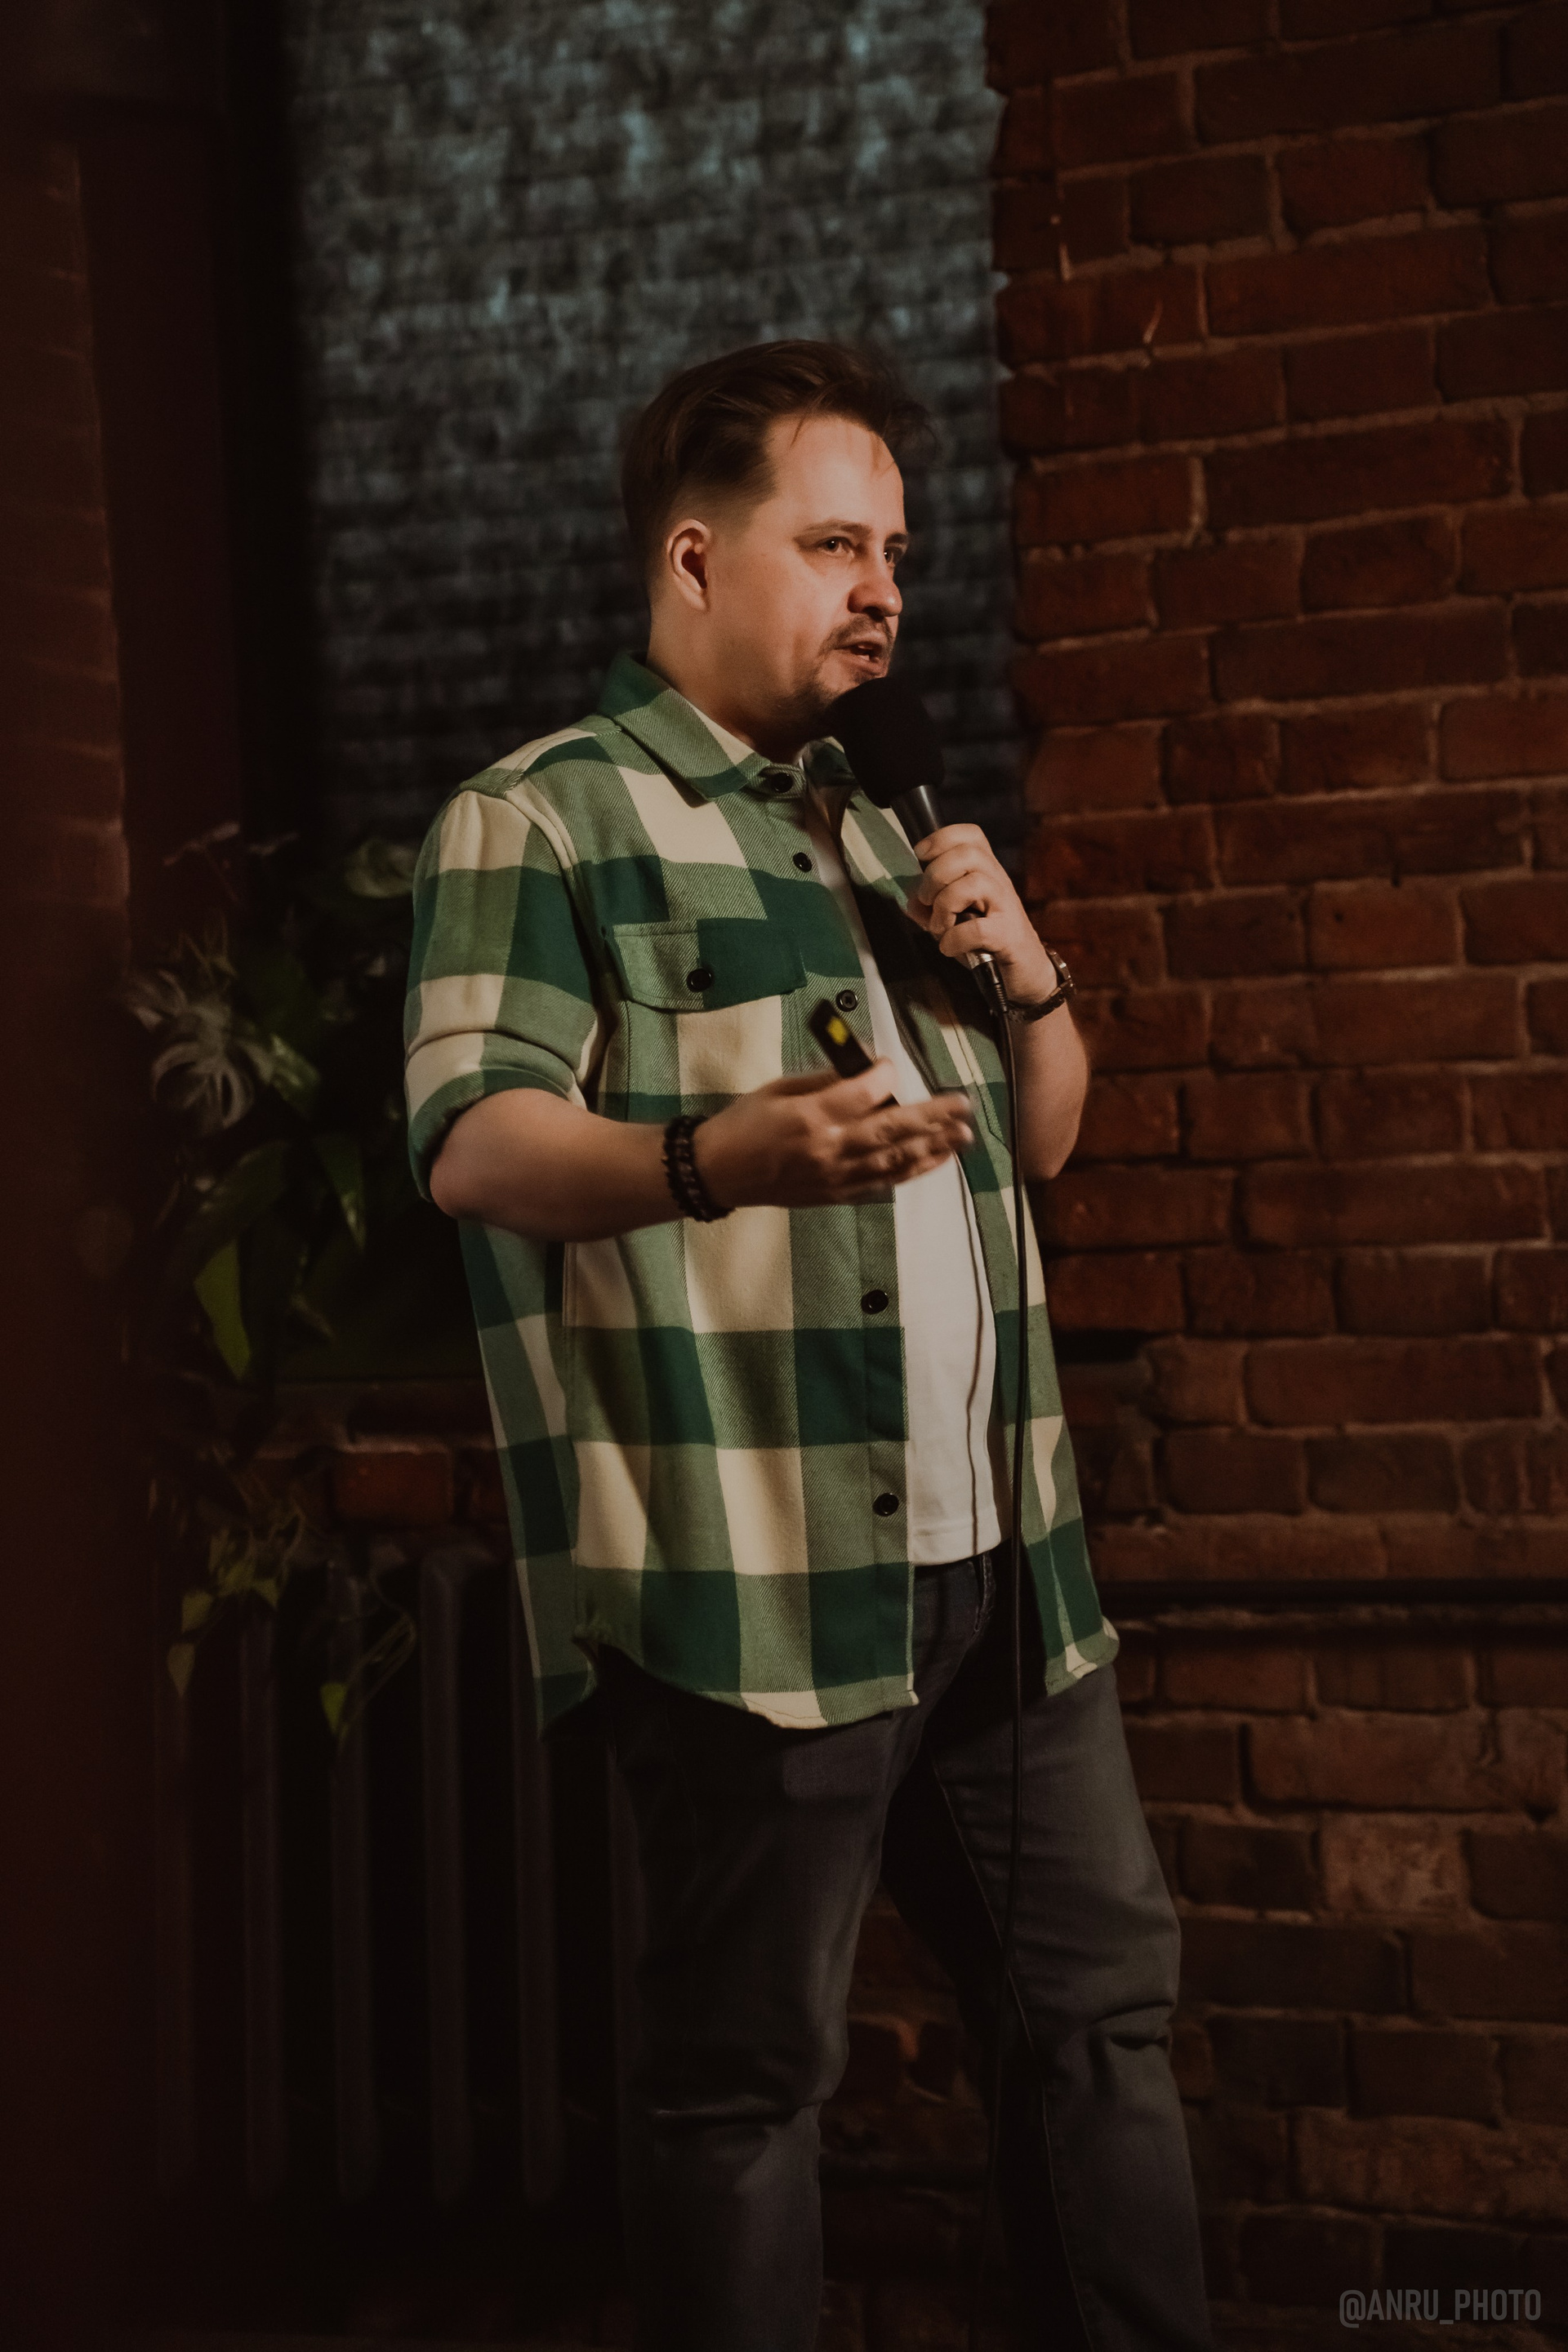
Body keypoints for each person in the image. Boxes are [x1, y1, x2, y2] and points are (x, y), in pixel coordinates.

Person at [405, 340, 1212, 2352]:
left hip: (1003, 1564)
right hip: (754, 1583)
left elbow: (1039, 1144)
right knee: (746, 2088)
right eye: (837, 545)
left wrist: (1032, 978)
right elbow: (474, 1142)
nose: (884, 591)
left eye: (899, 555)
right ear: (694, 556)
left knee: (1100, 2023)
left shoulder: (882, 828)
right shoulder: (543, 820)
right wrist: (722, 1154)